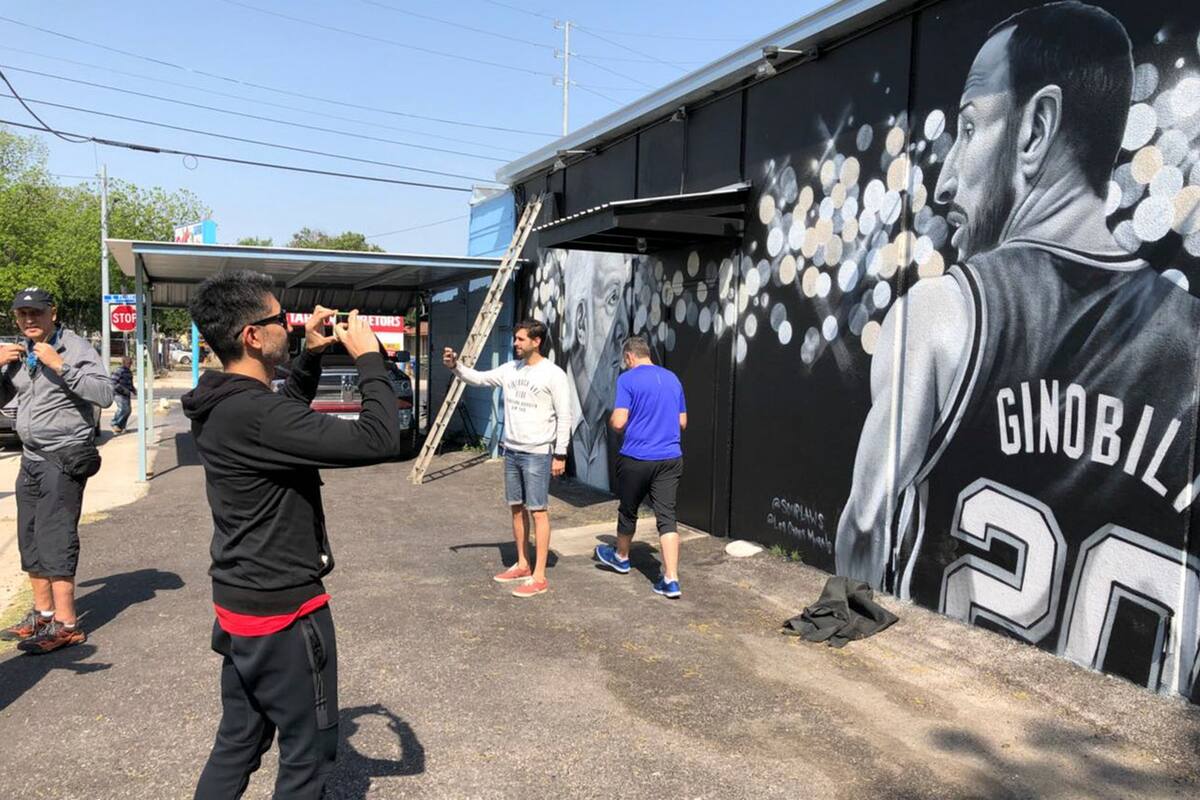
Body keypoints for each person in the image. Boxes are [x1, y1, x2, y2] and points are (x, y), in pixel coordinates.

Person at [834, 0, 1200, 661]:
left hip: (945, 701)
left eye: (969, 128)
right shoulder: (1192, 341)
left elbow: (866, 518)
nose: (945, 180)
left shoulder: (946, 313)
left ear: (1036, 129)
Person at [183, 270, 401, 799]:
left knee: (239, 740)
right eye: (282, 319)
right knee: (309, 755)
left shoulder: (221, 402)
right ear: (253, 336)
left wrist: (308, 356)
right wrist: (368, 356)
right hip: (285, 612)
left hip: (241, 603)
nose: (292, 324)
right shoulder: (255, 413)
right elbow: (379, 438)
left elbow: (283, 419)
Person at [0, 287, 113, 654]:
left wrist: (59, 365)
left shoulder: (75, 348)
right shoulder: (21, 352)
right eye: (22, 314)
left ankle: (66, 626)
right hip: (31, 457)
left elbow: (104, 394)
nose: (29, 320)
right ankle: (43, 614)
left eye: (36, 313)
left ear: (53, 313)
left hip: (63, 457)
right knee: (30, 538)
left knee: (56, 538)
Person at [443, 319, 571, 598]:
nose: (515, 343)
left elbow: (565, 416)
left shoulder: (554, 374)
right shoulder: (510, 369)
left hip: (538, 452)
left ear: (536, 342)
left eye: (521, 339)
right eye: (515, 338)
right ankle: (523, 564)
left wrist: (560, 453)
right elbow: (478, 378)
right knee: (516, 507)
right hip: (511, 450)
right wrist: (455, 366)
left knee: (538, 510)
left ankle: (539, 576)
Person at [594, 336, 687, 598]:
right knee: (667, 517)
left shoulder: (627, 379)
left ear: (629, 357)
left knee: (628, 509)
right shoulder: (672, 378)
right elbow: (683, 422)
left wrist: (613, 419)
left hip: (637, 457)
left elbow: (620, 422)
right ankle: (671, 579)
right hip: (670, 457)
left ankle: (621, 556)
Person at [110, 356, 134, 434]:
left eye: (131, 363)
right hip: (119, 394)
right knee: (123, 409)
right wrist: (122, 389)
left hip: (126, 394)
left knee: (128, 411)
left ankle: (122, 426)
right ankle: (115, 423)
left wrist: (133, 390)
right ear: (124, 363)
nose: (130, 365)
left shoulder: (129, 372)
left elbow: (130, 383)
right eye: (128, 363)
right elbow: (113, 382)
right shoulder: (119, 371)